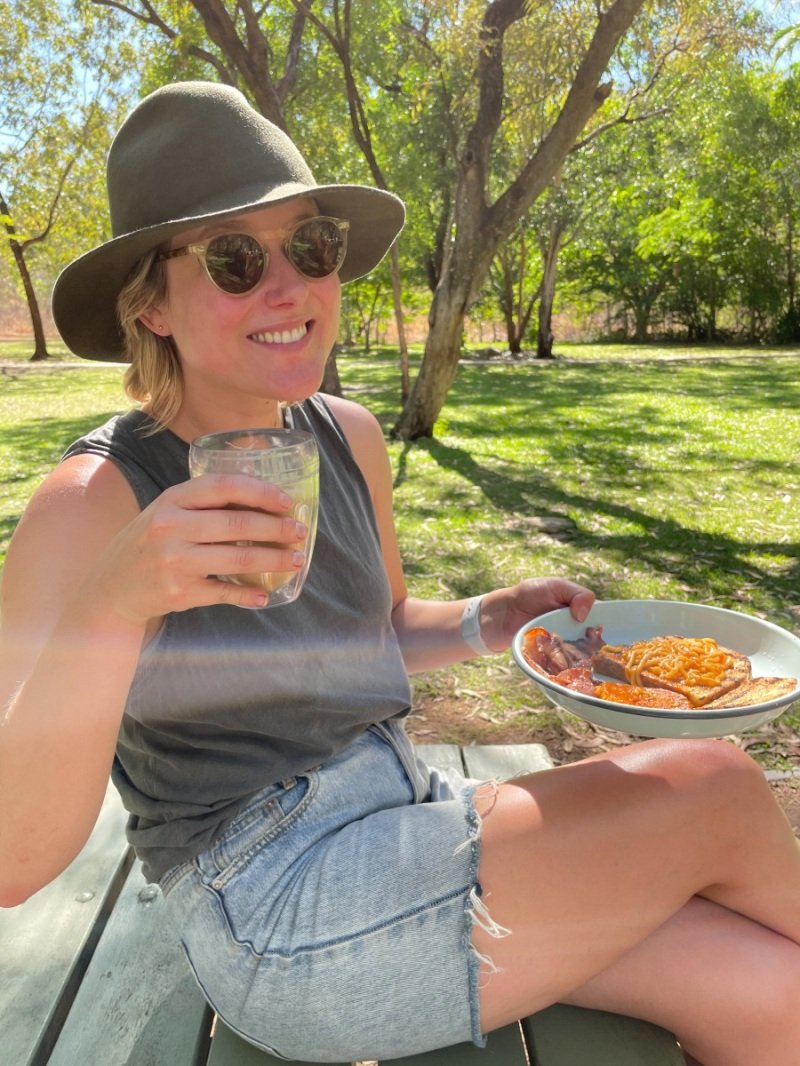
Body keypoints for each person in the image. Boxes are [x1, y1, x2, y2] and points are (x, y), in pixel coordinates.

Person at [1, 81, 798, 1066]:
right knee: (712, 784)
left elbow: (374, 630)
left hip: (405, 814)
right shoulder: (93, 499)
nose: (288, 285)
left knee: (771, 995)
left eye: (312, 245)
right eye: (236, 259)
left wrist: (485, 620)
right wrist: (115, 599)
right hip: (270, 901)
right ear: (151, 305)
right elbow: (14, 857)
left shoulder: (347, 438)